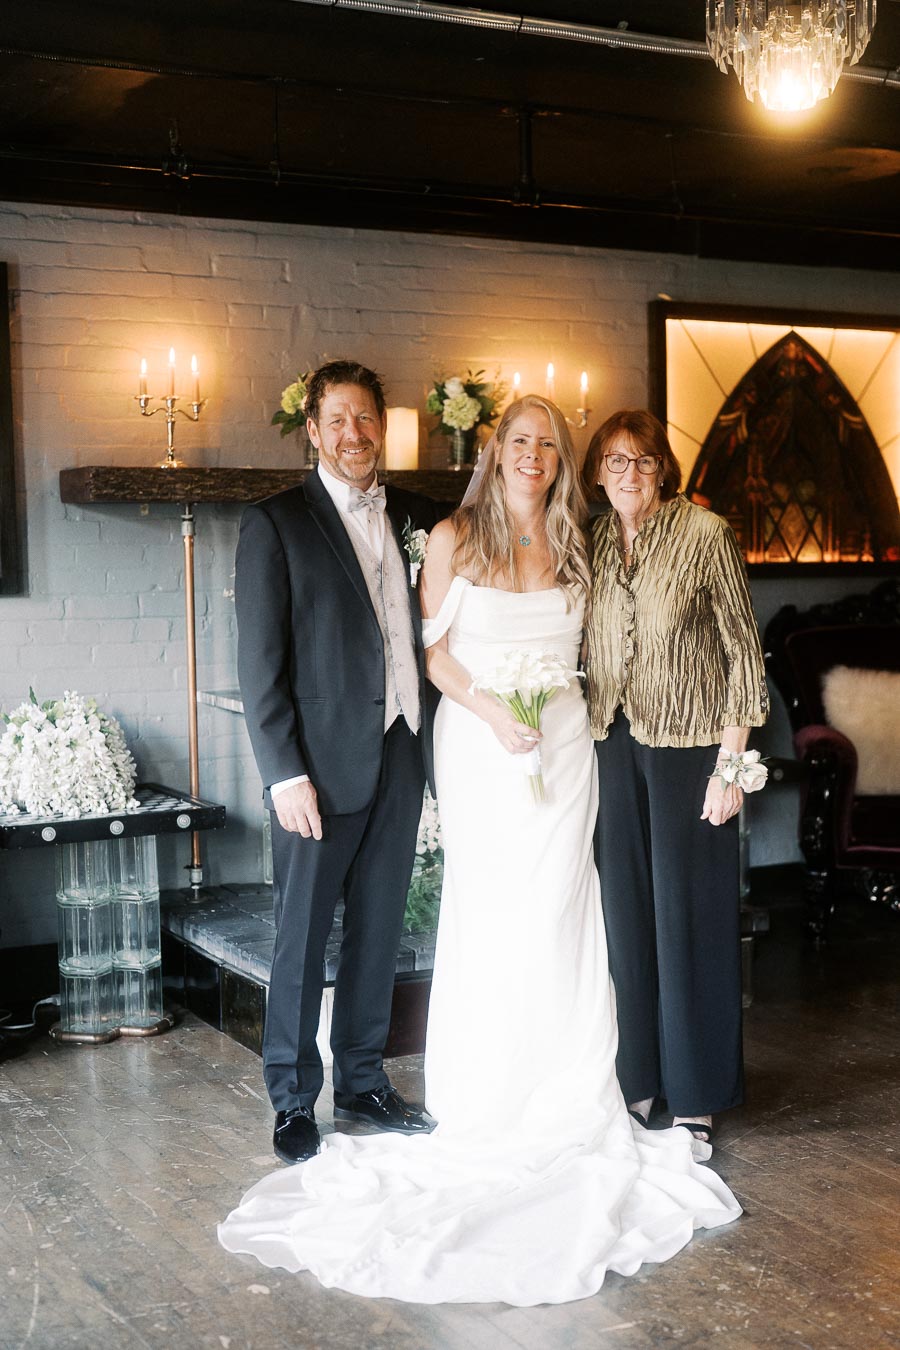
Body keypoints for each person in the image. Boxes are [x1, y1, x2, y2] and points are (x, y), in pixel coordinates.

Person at [219, 395, 741, 1305]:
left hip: (571, 749)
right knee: (494, 912)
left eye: (549, 444)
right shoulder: (455, 535)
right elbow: (431, 655)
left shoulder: (580, 538)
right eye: (520, 442)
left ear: (560, 460)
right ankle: (425, 1089)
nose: (534, 455)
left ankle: (584, 1081)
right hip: (482, 745)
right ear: (494, 453)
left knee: (567, 912)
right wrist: (497, 711)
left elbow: (608, 648)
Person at [234, 359, 441, 1165]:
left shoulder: (421, 515)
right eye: (339, 421)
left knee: (380, 931)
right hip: (317, 769)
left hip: (401, 748)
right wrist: (283, 773)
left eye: (366, 420)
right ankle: (293, 1098)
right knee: (302, 933)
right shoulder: (277, 523)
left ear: (380, 428)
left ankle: (363, 1082)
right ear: (313, 432)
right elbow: (261, 664)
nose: (355, 435)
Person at [582, 409, 769, 1147]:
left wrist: (730, 771)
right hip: (610, 746)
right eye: (616, 462)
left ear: (666, 470)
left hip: (692, 753)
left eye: (645, 461)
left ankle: (696, 1096)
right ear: (597, 472)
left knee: (689, 923)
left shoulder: (706, 534)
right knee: (627, 923)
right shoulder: (591, 541)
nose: (630, 474)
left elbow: (744, 661)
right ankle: (640, 1083)